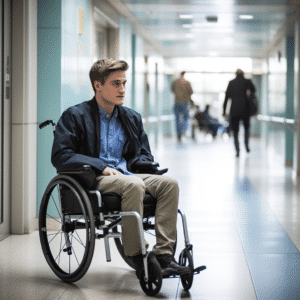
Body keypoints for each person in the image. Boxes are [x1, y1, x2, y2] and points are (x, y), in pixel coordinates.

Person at [51, 58, 191, 279]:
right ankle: (138, 253)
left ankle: (164, 256)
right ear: (98, 85)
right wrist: (102, 166)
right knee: (133, 183)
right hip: (94, 178)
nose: (122, 89)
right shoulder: (75, 116)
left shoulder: (131, 117)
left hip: (127, 174)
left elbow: (144, 152)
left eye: (124, 83)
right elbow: (61, 155)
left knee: (169, 184)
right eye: (116, 83)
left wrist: (147, 165)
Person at [223, 69, 256, 157]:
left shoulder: (231, 83)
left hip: (234, 111)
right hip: (245, 110)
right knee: (246, 129)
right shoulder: (247, 82)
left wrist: (224, 110)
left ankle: (237, 150)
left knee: (235, 131)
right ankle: (246, 145)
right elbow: (254, 90)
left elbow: (226, 98)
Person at [171, 71, 193, 143]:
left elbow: (172, 90)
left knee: (177, 119)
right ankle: (184, 129)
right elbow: (191, 92)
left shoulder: (175, 82)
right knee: (186, 117)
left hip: (177, 102)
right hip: (185, 102)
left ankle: (179, 136)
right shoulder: (187, 83)